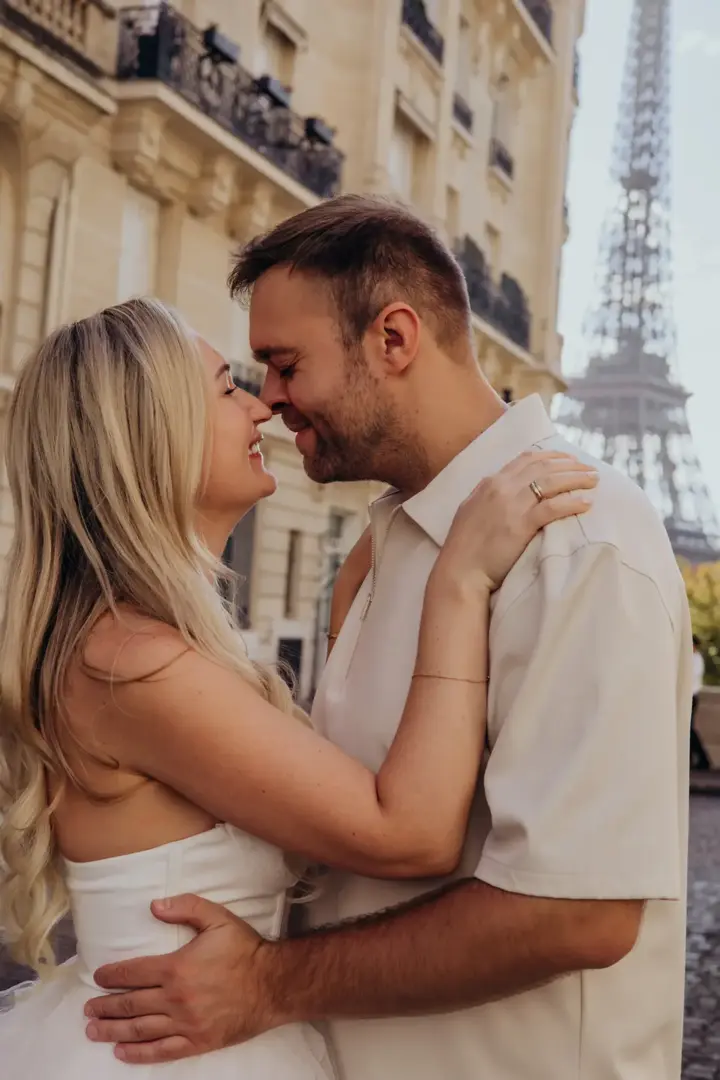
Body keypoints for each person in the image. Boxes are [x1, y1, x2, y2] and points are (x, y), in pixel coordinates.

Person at [84, 196, 693, 1080]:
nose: (270, 400)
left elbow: (579, 913)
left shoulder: (579, 541)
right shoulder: (390, 546)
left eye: (285, 364)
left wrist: (268, 983)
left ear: (394, 339)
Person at [0, 296, 595, 1078]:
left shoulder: (131, 646)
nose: (261, 408)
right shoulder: (131, 664)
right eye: (228, 389)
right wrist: (459, 582)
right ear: (153, 434)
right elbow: (411, 833)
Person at [690, 635, 710, 770]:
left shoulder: (696, 659)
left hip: (692, 696)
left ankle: (703, 758)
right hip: (689, 696)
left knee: (689, 729)